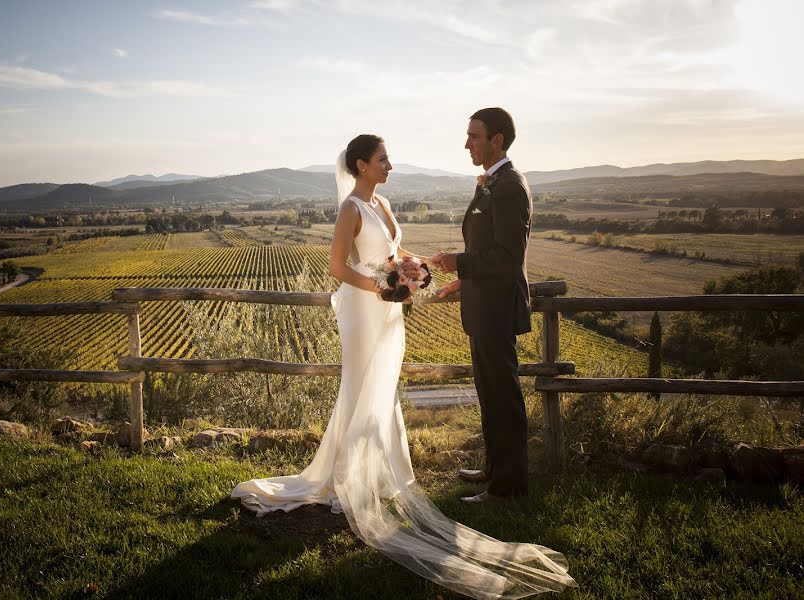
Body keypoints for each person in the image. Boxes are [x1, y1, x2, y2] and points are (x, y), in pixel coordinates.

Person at [232, 134, 574, 599]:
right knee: (359, 384)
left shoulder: (385, 204)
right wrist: (380, 288)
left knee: (383, 386)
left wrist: (415, 270)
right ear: (360, 165)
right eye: (383, 159)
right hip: (364, 307)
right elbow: (337, 267)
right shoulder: (350, 209)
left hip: (390, 307)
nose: (390, 165)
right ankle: (344, 476)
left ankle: (383, 470)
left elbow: (394, 254)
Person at [431, 107, 534, 504]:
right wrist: (465, 276)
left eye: (474, 136)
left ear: (497, 140)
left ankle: (508, 488)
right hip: (483, 305)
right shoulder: (495, 182)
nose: (466, 143)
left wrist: (461, 261)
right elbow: (489, 249)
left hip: (495, 311)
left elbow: (507, 258)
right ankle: (496, 471)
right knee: (490, 395)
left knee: (503, 398)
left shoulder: (508, 186)